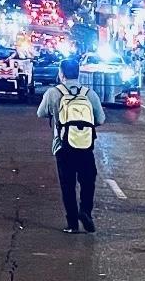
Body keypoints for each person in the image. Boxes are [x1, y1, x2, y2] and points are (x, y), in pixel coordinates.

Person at [36, 57, 106, 233]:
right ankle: (86, 211)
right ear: (78, 73)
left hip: (63, 146)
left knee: (67, 185)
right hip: (85, 146)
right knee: (88, 181)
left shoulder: (53, 93)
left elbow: (40, 113)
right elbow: (100, 119)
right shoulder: (89, 94)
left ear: (61, 74)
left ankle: (72, 224)